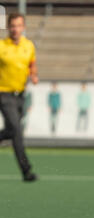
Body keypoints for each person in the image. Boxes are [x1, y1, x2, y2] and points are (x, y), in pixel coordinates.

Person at [0, 13, 38, 182]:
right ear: (9, 27)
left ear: (23, 27)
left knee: (12, 131)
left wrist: (34, 75)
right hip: (4, 94)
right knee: (16, 131)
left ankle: (25, 172)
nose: (15, 29)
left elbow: (32, 64)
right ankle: (26, 171)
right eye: (13, 26)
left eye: (18, 25)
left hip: (20, 96)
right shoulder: (1, 46)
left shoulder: (29, 46)